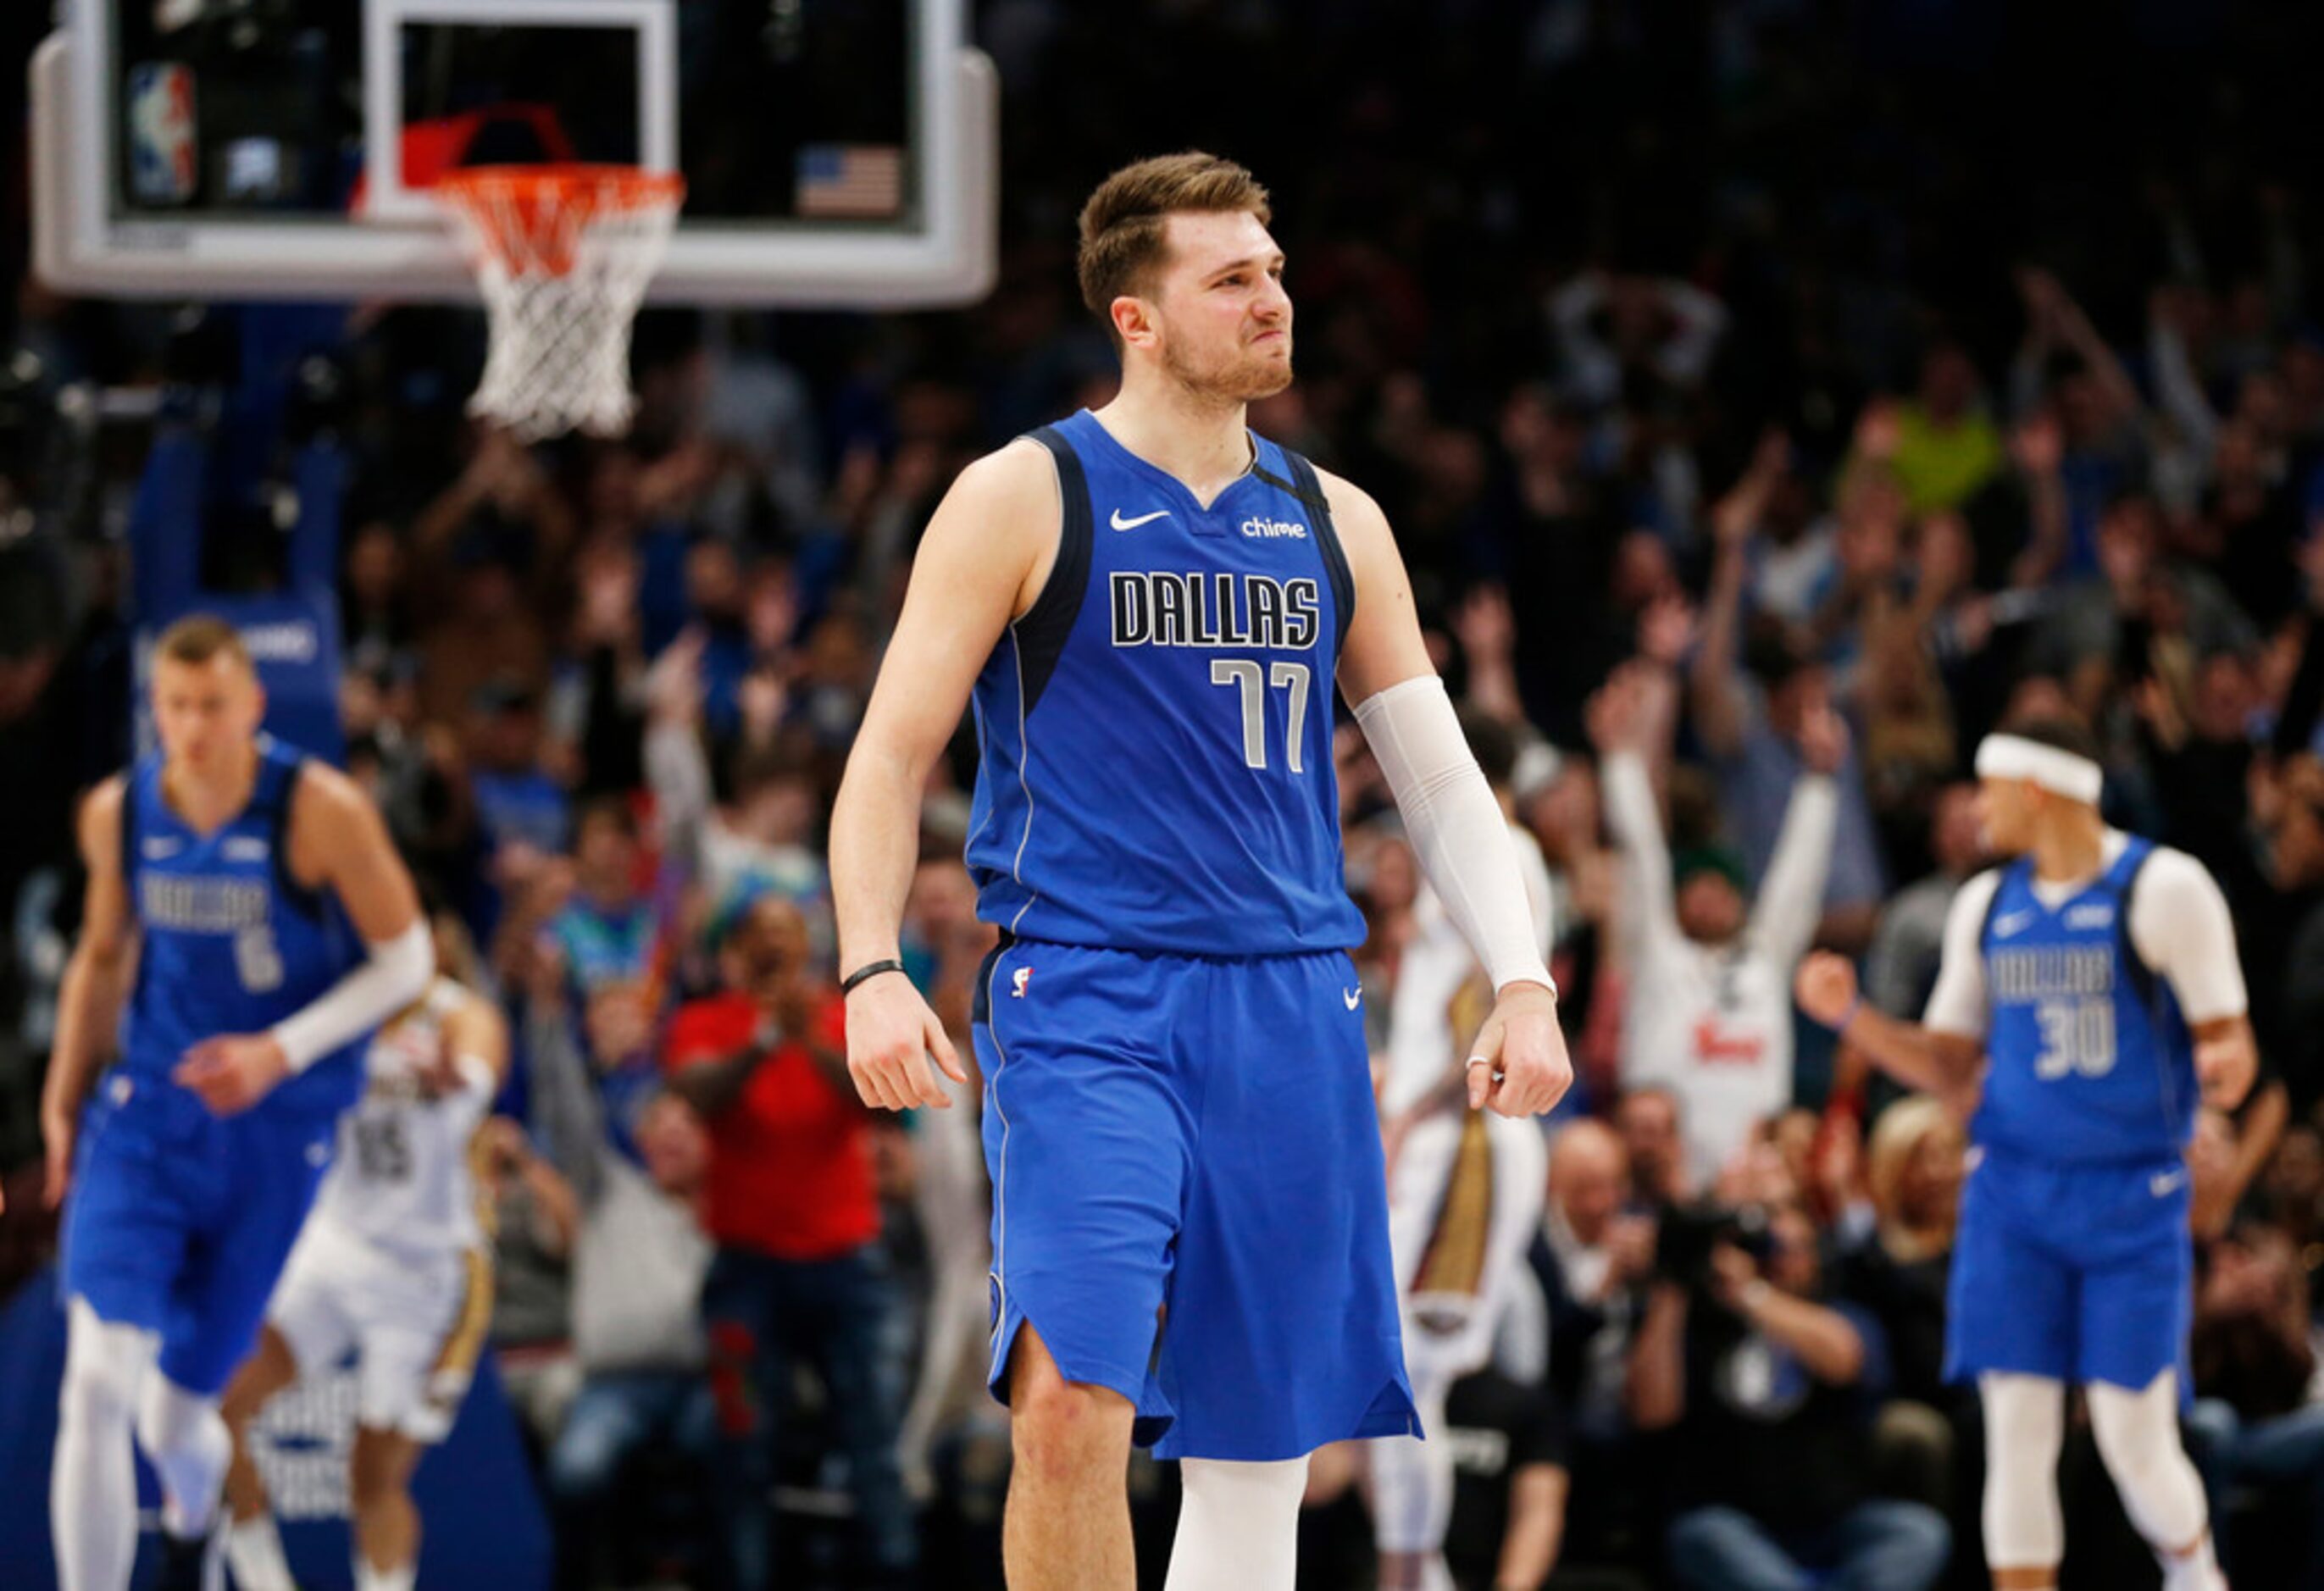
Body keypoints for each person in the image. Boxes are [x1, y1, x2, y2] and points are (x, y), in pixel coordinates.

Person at [828, 152, 1573, 1591]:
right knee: (1065, 1408)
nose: (1271, 298)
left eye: (1274, 271)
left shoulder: (1335, 517)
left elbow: (1435, 779)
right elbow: (884, 756)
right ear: (1136, 316)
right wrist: (869, 964)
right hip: (1087, 997)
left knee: (1254, 1456)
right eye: (1231, 278)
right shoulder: (1025, 491)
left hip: (1290, 1001)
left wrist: (1522, 978)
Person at [1797, 718, 2257, 1591]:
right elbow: (1947, 1066)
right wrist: (1851, 1018)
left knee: (2132, 1437)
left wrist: (2225, 1068)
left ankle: (2195, 1576)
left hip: (2128, 1194)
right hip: (2011, 1194)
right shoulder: (1986, 904)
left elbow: (2226, 1037)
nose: (1974, 810)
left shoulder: (2161, 887)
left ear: (2036, 790)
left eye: (1987, 790)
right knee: (2016, 1428)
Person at [39, 613, 434, 1589]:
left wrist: (279, 1052)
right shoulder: (120, 813)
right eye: (174, 706)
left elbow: (409, 959)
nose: (193, 726)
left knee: (178, 1418)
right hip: (146, 1120)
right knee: (93, 1385)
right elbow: (99, 956)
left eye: (212, 704)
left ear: (253, 704)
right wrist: (59, 1096)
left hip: (271, 1135)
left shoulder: (319, 808)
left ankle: (190, 1520)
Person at [218, 906, 510, 1591]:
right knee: (214, 1408)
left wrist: (453, 1077)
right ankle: (262, 1579)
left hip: (425, 1273)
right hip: (331, 1247)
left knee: (372, 1478)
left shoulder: (459, 1014)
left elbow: (478, 1068)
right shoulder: (324, 1013)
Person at [662, 895, 916, 1588]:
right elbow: (698, 1096)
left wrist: (808, 1041)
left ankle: (891, 1575)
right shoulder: (703, 1022)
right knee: (741, 1445)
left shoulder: (840, 1018)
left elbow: (880, 1101)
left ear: (807, 948)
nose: (777, 949)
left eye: (789, 936)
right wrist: (767, 1039)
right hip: (746, 1271)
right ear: (738, 950)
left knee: (873, 1447)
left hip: (846, 1268)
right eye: (762, 937)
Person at [1590, 659, 1844, 1186]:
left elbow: (1798, 883)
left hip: (1754, 1173)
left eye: (1718, 891)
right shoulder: (1657, 952)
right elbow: (1642, 859)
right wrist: (1618, 761)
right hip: (1656, 1175)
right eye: (1694, 892)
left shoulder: (1764, 955)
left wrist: (1820, 781)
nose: (1706, 902)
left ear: (1739, 900)